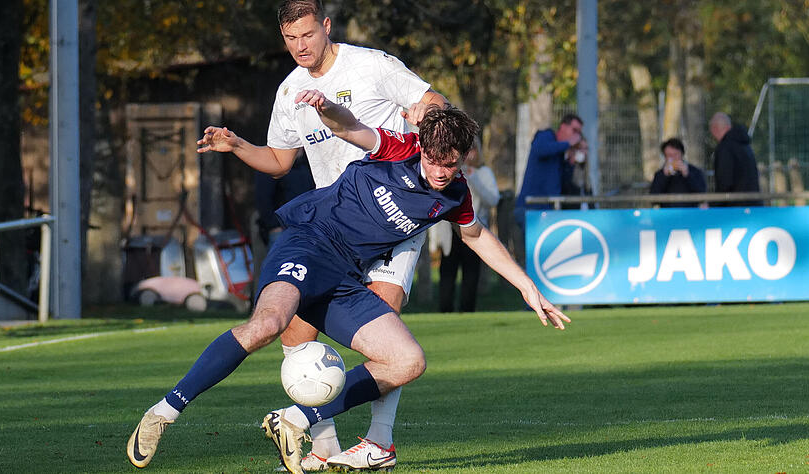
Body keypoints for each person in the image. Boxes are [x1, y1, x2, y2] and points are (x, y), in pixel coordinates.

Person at [127, 91, 571, 474]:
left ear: (463, 159)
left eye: (450, 164)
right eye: (434, 160)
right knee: (267, 325)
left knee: (407, 361)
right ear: (422, 148)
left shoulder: (454, 195)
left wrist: (526, 287)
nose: (439, 170)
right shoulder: (397, 148)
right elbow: (353, 127)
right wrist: (326, 110)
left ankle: (299, 419)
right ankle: (163, 412)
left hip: (344, 278)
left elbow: (476, 236)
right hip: (306, 241)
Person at [137, 0, 450, 471]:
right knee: (295, 336)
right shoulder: (289, 91)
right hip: (331, 227)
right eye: (290, 39)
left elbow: (434, 106)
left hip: (390, 222)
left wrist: (421, 141)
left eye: (307, 35)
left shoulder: (372, 65)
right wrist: (237, 145)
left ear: (326, 27)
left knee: (388, 327)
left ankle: (379, 441)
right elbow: (281, 161)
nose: (300, 46)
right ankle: (321, 443)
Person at [436, 137, 500, 312]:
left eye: (472, 150)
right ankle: (445, 311)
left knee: (471, 274)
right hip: (451, 229)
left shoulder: (484, 172)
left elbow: (493, 199)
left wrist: (474, 178)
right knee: (448, 272)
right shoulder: (449, 170)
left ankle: (467, 310)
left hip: (475, 228)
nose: (469, 154)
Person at [514, 114, 583, 229]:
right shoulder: (546, 135)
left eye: (579, 133)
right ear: (563, 126)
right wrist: (568, 143)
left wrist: (571, 162)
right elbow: (540, 149)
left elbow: (564, 184)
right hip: (530, 209)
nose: (577, 136)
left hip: (547, 212)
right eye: (574, 130)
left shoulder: (561, 152)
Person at [709, 112, 762, 207]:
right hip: (753, 202)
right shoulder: (744, 145)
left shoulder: (725, 147)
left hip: (734, 207)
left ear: (714, 128)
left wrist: (714, 204)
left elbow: (724, 181)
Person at [649, 137, 707, 207]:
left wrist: (687, 175)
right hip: (668, 214)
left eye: (676, 154)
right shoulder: (660, 174)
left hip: (690, 213)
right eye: (669, 155)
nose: (673, 158)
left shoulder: (694, 171)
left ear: (682, 154)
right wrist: (664, 176)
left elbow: (702, 195)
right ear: (665, 157)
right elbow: (653, 199)